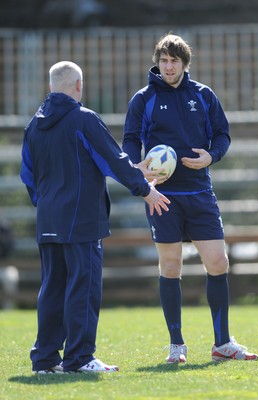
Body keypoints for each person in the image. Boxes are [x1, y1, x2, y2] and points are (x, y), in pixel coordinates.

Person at [20, 61, 170, 374]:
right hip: (81, 221)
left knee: (52, 289)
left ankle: (45, 360)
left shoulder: (33, 125)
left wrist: (47, 205)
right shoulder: (83, 118)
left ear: (51, 87)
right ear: (78, 86)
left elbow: (29, 175)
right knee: (83, 288)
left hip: (48, 220)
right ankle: (79, 358)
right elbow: (112, 159)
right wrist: (146, 190)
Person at [123, 33, 258, 363]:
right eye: (163, 61)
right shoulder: (143, 99)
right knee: (170, 267)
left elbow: (223, 134)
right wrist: (137, 169)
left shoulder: (204, 95)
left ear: (185, 64)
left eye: (175, 61)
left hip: (200, 193)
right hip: (162, 197)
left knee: (218, 262)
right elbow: (129, 141)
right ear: (157, 62)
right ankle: (176, 345)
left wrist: (211, 157)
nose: (168, 67)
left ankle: (222, 344)